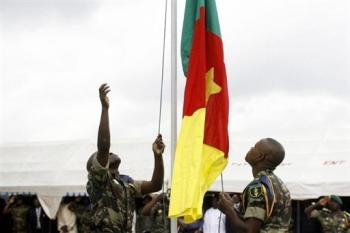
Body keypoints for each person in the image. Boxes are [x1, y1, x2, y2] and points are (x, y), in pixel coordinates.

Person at [86, 83, 165, 233]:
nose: (110, 153)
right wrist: (105, 109)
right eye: (103, 157)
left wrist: (157, 156)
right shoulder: (99, 182)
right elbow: (103, 147)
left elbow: (156, 185)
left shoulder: (126, 183)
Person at [218, 138, 292, 233]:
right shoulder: (280, 185)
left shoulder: (257, 187)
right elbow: (265, 223)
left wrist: (229, 211)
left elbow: (250, 230)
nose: (251, 148)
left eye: (254, 147)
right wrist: (232, 208)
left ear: (259, 156)